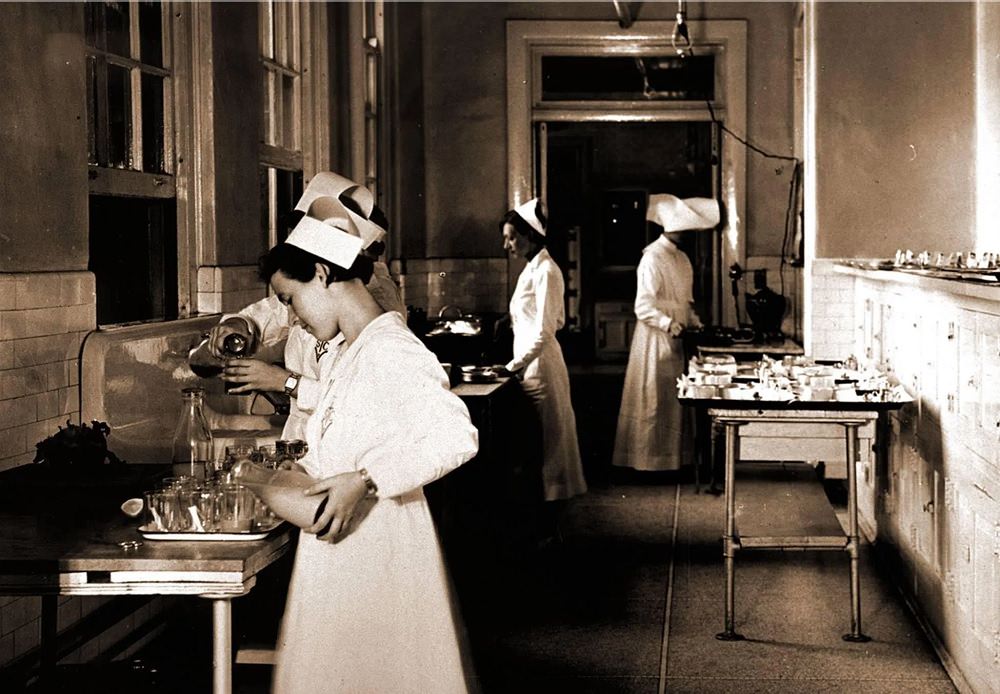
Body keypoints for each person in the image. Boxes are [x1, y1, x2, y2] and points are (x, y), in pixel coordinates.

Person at [238, 201, 479, 693]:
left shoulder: (390, 347)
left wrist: (366, 480)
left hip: (380, 546)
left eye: (290, 298)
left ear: (323, 274)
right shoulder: (351, 352)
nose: (293, 316)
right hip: (347, 546)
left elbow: (457, 434)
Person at [207, 172, 405, 440]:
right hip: (315, 446)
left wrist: (283, 382)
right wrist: (239, 324)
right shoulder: (316, 291)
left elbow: (361, 405)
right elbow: (276, 311)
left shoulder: (373, 308)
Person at [498, 198, 587, 536]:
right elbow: (555, 319)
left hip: (541, 369)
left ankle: (550, 529)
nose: (506, 245)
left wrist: (512, 366)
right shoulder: (533, 268)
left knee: (551, 447)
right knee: (541, 446)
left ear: (530, 235)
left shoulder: (547, 270)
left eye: (511, 237)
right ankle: (544, 526)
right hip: (530, 367)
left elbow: (547, 329)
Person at [612, 194, 719, 472]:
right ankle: (648, 462)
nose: (688, 234)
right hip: (655, 340)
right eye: (684, 229)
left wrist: (694, 321)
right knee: (654, 399)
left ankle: (674, 460)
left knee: (675, 401)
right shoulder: (652, 257)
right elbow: (643, 306)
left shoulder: (682, 259)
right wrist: (667, 323)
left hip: (679, 340)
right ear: (671, 227)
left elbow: (686, 301)